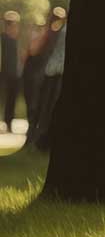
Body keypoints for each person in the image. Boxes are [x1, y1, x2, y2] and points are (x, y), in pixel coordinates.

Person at [27, 9, 67, 152]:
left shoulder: (53, 33)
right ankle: (37, 141)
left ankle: (36, 141)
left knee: (41, 108)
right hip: (52, 75)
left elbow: (33, 50)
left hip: (47, 75)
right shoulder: (58, 32)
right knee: (45, 109)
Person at [1, 12, 21, 134]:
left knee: (11, 99)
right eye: (10, 24)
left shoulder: (16, 40)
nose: (13, 27)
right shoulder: (2, 38)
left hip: (14, 75)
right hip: (3, 73)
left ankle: (8, 123)